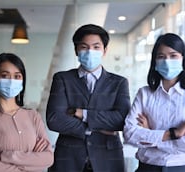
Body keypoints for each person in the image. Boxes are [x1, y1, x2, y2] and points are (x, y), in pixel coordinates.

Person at [46, 24, 131, 172]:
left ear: (105, 50)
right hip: (69, 158)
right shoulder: (62, 79)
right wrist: (91, 128)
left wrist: (83, 114)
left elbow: (122, 119)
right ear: (76, 50)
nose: (90, 51)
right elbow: (54, 119)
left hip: (108, 159)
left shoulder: (119, 82)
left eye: (96, 47)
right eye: (84, 47)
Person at [123, 33, 185, 172]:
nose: (167, 61)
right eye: (161, 56)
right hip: (147, 167)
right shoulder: (144, 94)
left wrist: (151, 134)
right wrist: (174, 133)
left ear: (183, 59)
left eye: (173, 55)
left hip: (182, 168)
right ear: (155, 62)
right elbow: (129, 134)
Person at [0, 53, 54, 172]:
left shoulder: (33, 116)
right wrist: (33, 163)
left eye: (17, 76)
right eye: (5, 75)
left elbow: (48, 158)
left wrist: (8, 156)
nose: (11, 81)